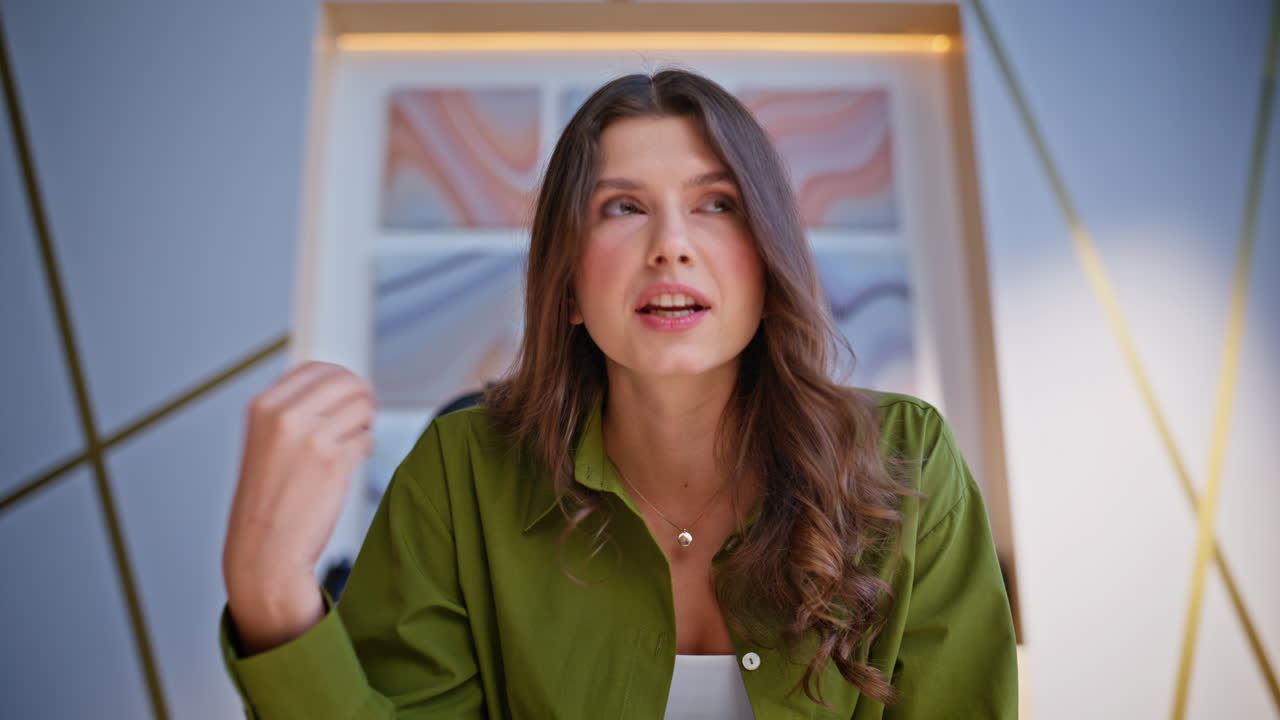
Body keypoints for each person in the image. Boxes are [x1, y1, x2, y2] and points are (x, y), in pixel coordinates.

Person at [220, 70, 1018, 719]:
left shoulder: (908, 461)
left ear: (768, 262)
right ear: (568, 284)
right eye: (623, 207)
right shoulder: (458, 474)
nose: (671, 245)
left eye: (717, 204)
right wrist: (270, 590)